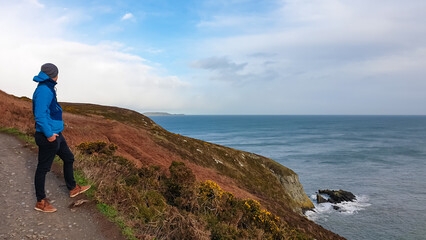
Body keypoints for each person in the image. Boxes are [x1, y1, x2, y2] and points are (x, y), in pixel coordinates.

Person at [32, 63, 90, 213]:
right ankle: (40, 202)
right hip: (49, 136)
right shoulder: (44, 90)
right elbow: (40, 116)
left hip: (57, 133)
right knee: (43, 169)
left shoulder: (48, 87)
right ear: (53, 74)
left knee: (69, 158)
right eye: (58, 73)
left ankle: (73, 188)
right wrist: (49, 135)